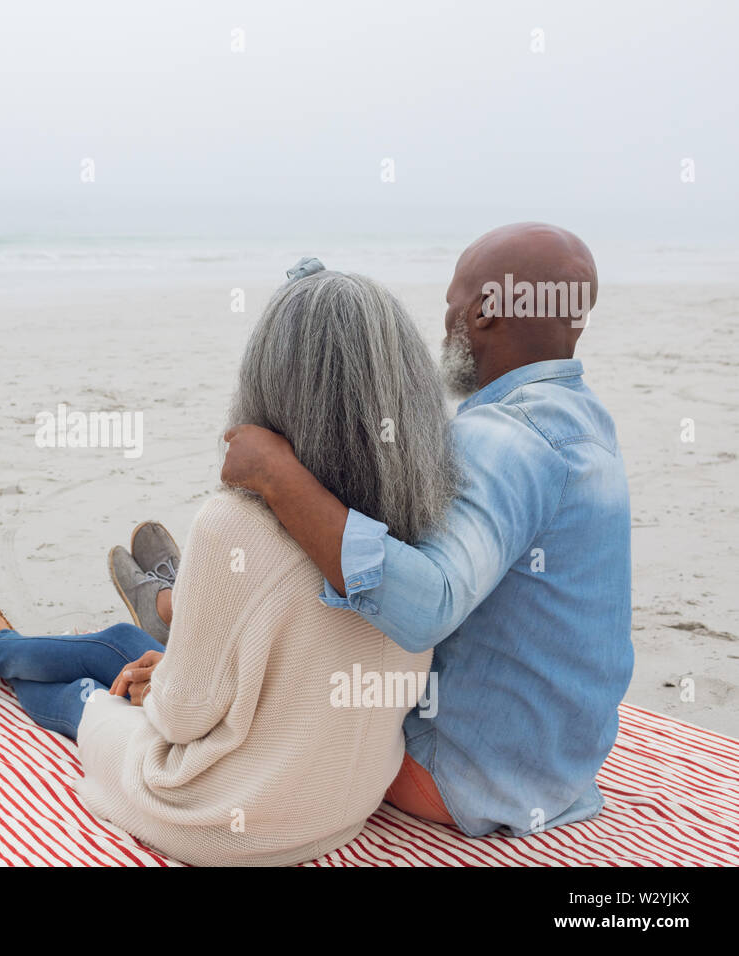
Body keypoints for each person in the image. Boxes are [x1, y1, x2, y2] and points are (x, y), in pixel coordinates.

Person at [0, 267, 457, 865]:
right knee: (125, 640)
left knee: (86, 692)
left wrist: (169, 683)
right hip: (343, 806)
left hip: (219, 818)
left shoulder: (237, 525)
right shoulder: (428, 517)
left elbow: (179, 717)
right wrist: (175, 670)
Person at [221, 223, 633, 838]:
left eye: (452, 305)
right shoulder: (584, 421)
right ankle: (180, 616)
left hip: (457, 775)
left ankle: (168, 620)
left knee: (261, 667)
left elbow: (427, 605)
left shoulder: (505, 439)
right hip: (557, 771)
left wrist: (279, 476)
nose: (445, 327)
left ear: (487, 310)